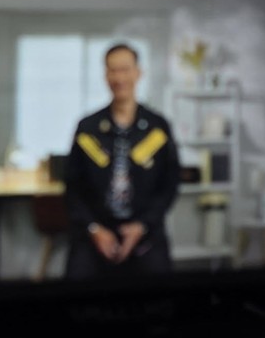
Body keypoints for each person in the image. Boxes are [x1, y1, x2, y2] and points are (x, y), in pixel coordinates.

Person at [64, 43, 180, 279]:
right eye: (112, 70)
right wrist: (94, 229)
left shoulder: (157, 127)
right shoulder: (88, 128)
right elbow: (72, 187)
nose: (119, 78)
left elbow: (170, 184)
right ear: (105, 75)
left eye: (125, 69)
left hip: (145, 232)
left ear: (138, 73)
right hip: (95, 231)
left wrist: (142, 226)